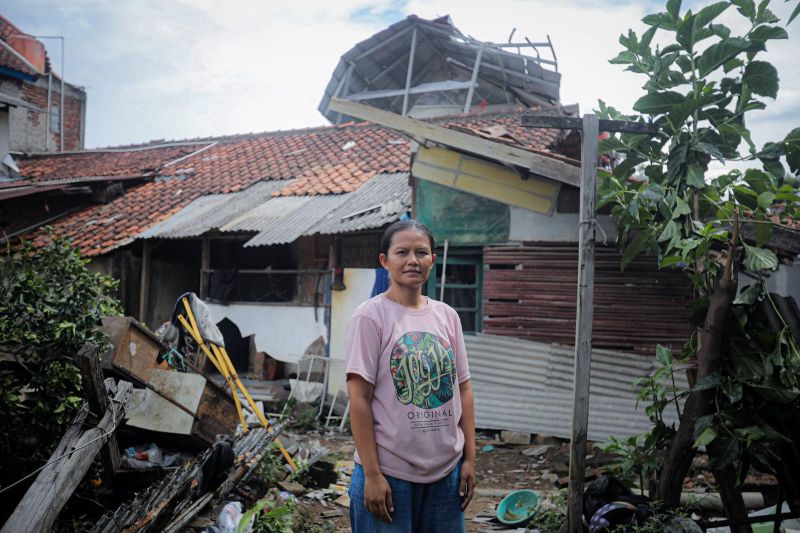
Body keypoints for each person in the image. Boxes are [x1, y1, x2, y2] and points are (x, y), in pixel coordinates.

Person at [345, 219, 476, 532]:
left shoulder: (447, 316)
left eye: (421, 252)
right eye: (402, 252)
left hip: (447, 475)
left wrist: (470, 459)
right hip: (389, 474)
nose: (412, 260)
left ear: (433, 259)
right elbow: (359, 398)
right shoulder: (370, 316)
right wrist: (373, 475)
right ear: (385, 261)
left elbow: (463, 389)